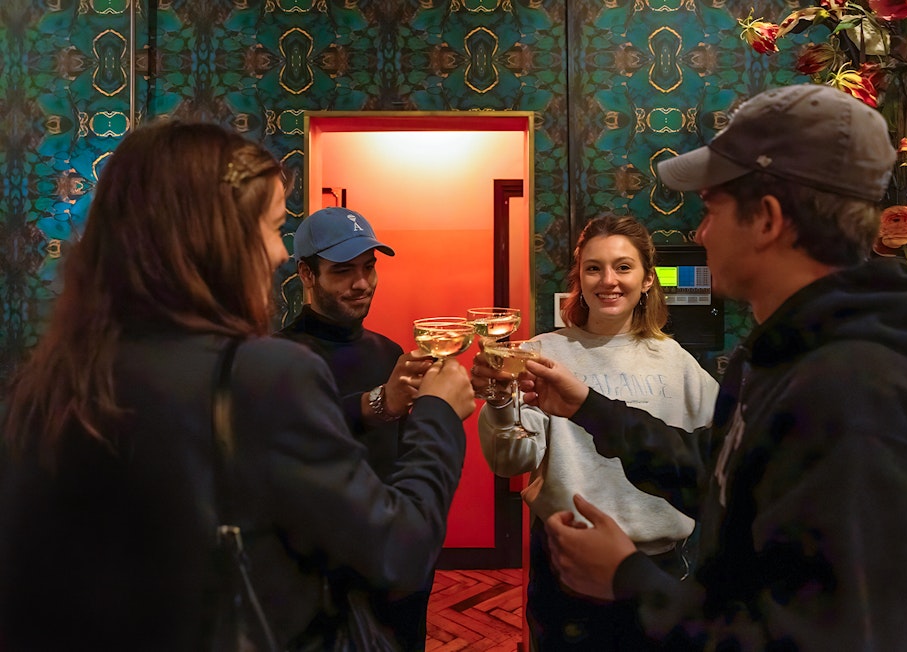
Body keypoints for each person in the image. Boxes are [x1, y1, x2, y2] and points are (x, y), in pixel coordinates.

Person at [522, 84, 907, 651]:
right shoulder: (784, 355)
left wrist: (630, 582)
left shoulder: (856, 397)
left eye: (711, 210)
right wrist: (587, 407)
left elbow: (817, 640)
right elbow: (720, 475)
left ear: (766, 220)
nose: (699, 233)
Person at [0, 120, 474, 651]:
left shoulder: (46, 384)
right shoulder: (264, 372)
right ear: (216, 238)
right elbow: (399, 551)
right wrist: (437, 413)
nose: (277, 255)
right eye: (271, 228)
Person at [471, 214, 719, 649]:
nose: (608, 280)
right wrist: (498, 402)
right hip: (567, 569)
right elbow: (510, 461)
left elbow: (720, 461)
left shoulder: (676, 361)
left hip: (658, 567)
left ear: (647, 279)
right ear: (579, 279)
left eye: (623, 267)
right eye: (593, 268)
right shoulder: (540, 353)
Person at [279, 206, 435, 651]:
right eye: (343, 271)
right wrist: (376, 403)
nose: (362, 283)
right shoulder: (278, 357)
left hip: (394, 566)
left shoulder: (390, 352)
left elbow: (404, 456)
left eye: (369, 267)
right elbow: (293, 442)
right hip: (318, 575)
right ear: (307, 274)